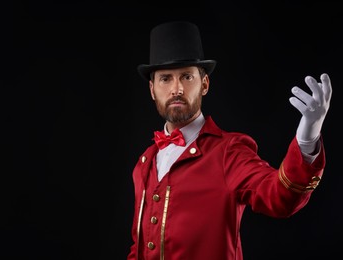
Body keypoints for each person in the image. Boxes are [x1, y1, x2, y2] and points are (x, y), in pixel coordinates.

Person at [127, 21, 332, 260]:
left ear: (204, 84)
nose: (177, 89)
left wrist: (307, 139)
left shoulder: (228, 151)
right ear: (152, 90)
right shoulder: (145, 161)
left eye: (186, 77)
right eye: (165, 79)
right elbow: (140, 246)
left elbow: (279, 197)